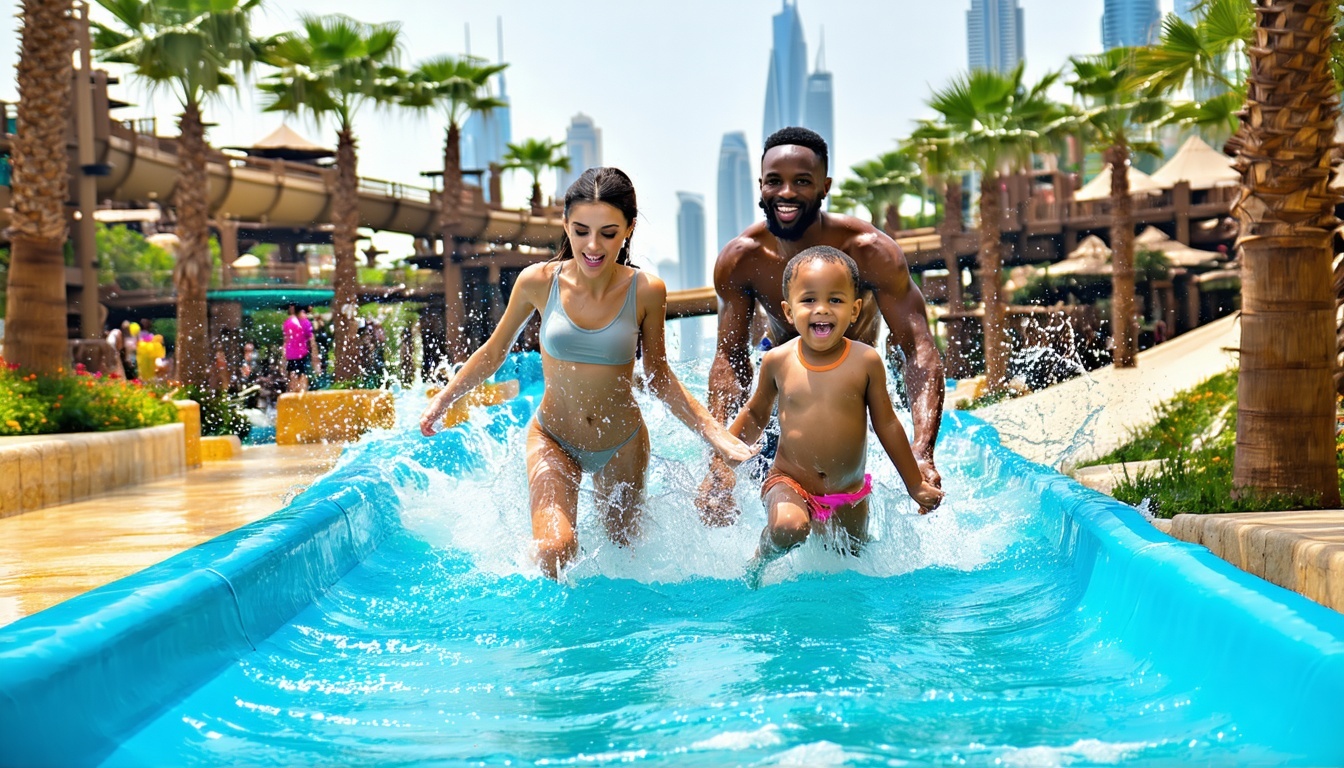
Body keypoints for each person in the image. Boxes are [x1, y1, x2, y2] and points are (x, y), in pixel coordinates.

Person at [419, 167, 757, 579]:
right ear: (565, 225)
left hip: (622, 443)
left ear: (629, 229)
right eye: (580, 231)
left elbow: (660, 377)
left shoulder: (647, 290)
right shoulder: (538, 282)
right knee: (555, 548)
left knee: (625, 562)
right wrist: (443, 398)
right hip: (553, 437)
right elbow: (493, 353)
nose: (593, 245)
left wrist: (715, 435)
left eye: (609, 233)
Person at [699, 126, 946, 526]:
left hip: (853, 393)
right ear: (760, 185)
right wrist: (718, 468)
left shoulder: (869, 251)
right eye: (774, 181)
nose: (786, 193)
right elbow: (729, 359)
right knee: (787, 523)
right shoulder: (742, 259)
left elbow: (917, 349)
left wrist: (921, 452)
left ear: (825, 186)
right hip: (789, 392)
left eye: (802, 181)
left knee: (848, 542)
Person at [732, 247, 944, 587]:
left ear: (855, 309)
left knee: (852, 564)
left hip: (849, 492)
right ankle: (759, 561)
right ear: (788, 310)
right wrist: (721, 464)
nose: (821, 309)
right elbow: (756, 413)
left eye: (835, 300)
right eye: (808, 300)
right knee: (789, 528)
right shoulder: (778, 361)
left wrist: (914, 483)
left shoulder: (865, 361)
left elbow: (886, 423)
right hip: (790, 482)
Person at [283, 304, 317, 392]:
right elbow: (311, 339)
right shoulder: (305, 322)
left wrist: (283, 355)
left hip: (290, 354)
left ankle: (292, 394)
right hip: (302, 353)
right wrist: (314, 354)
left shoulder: (288, 322)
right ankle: (302, 394)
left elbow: (286, 339)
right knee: (302, 373)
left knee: (292, 373)